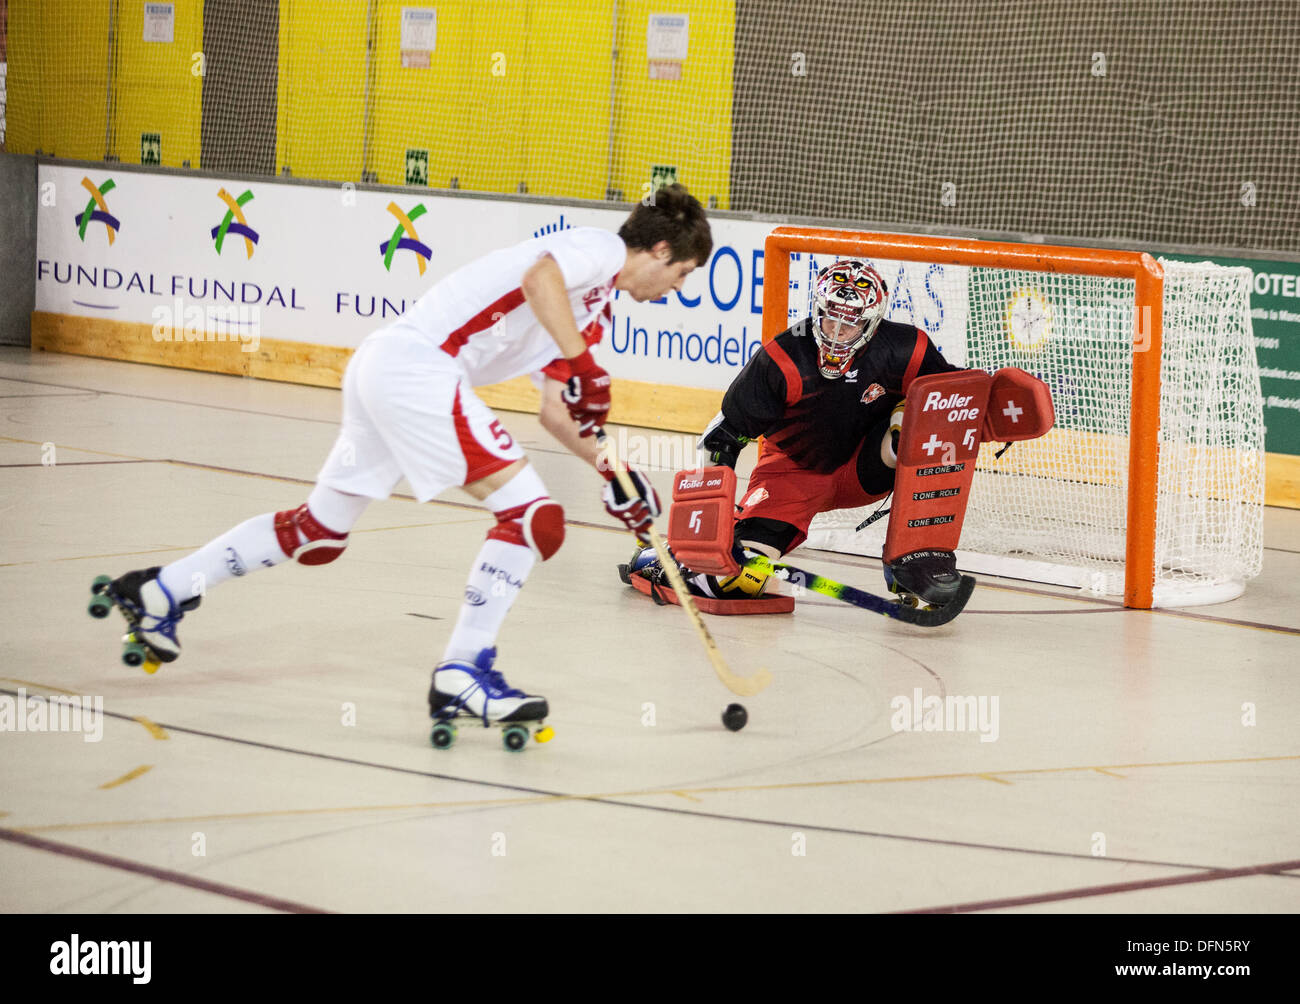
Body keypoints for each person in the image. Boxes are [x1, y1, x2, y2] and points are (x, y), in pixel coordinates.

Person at [95, 184, 712, 729]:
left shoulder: (592, 308)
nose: (677, 289)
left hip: (388, 367)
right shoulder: (599, 251)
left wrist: (617, 474)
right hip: (418, 369)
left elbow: (558, 411)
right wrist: (581, 361)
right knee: (533, 519)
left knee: (318, 534)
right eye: (682, 273)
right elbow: (538, 278)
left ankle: (162, 591)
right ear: (660, 252)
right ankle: (463, 672)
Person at [628, 258, 967, 608]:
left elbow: (953, 397)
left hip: (866, 465)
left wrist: (1000, 397)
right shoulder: (782, 358)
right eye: (829, 317)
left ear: (872, 324)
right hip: (792, 475)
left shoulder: (907, 348)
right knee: (735, 579)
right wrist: (714, 521)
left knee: (921, 421)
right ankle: (663, 557)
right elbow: (721, 439)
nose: (835, 331)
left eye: (849, 324)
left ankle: (916, 554)